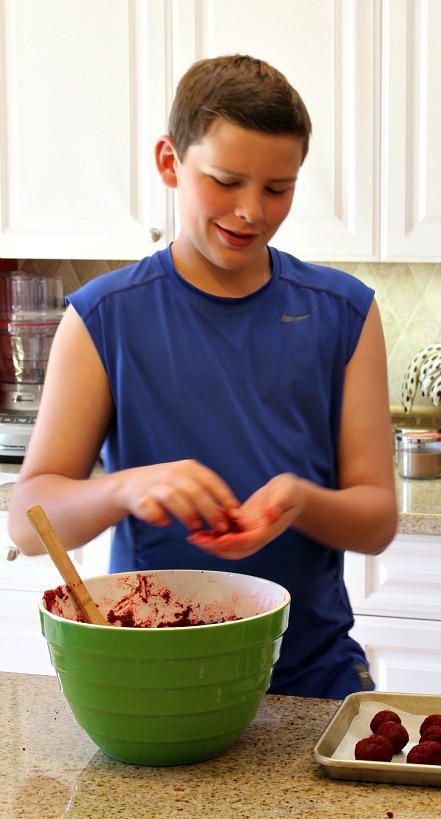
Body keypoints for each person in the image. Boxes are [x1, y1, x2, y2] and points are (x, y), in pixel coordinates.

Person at [9, 54, 398, 698]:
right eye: (225, 180)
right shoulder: (103, 317)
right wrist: (126, 488)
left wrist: (302, 500)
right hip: (153, 677)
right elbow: (26, 522)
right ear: (170, 162)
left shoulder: (345, 312)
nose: (251, 211)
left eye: (278, 189)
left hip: (309, 675)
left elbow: (376, 520)